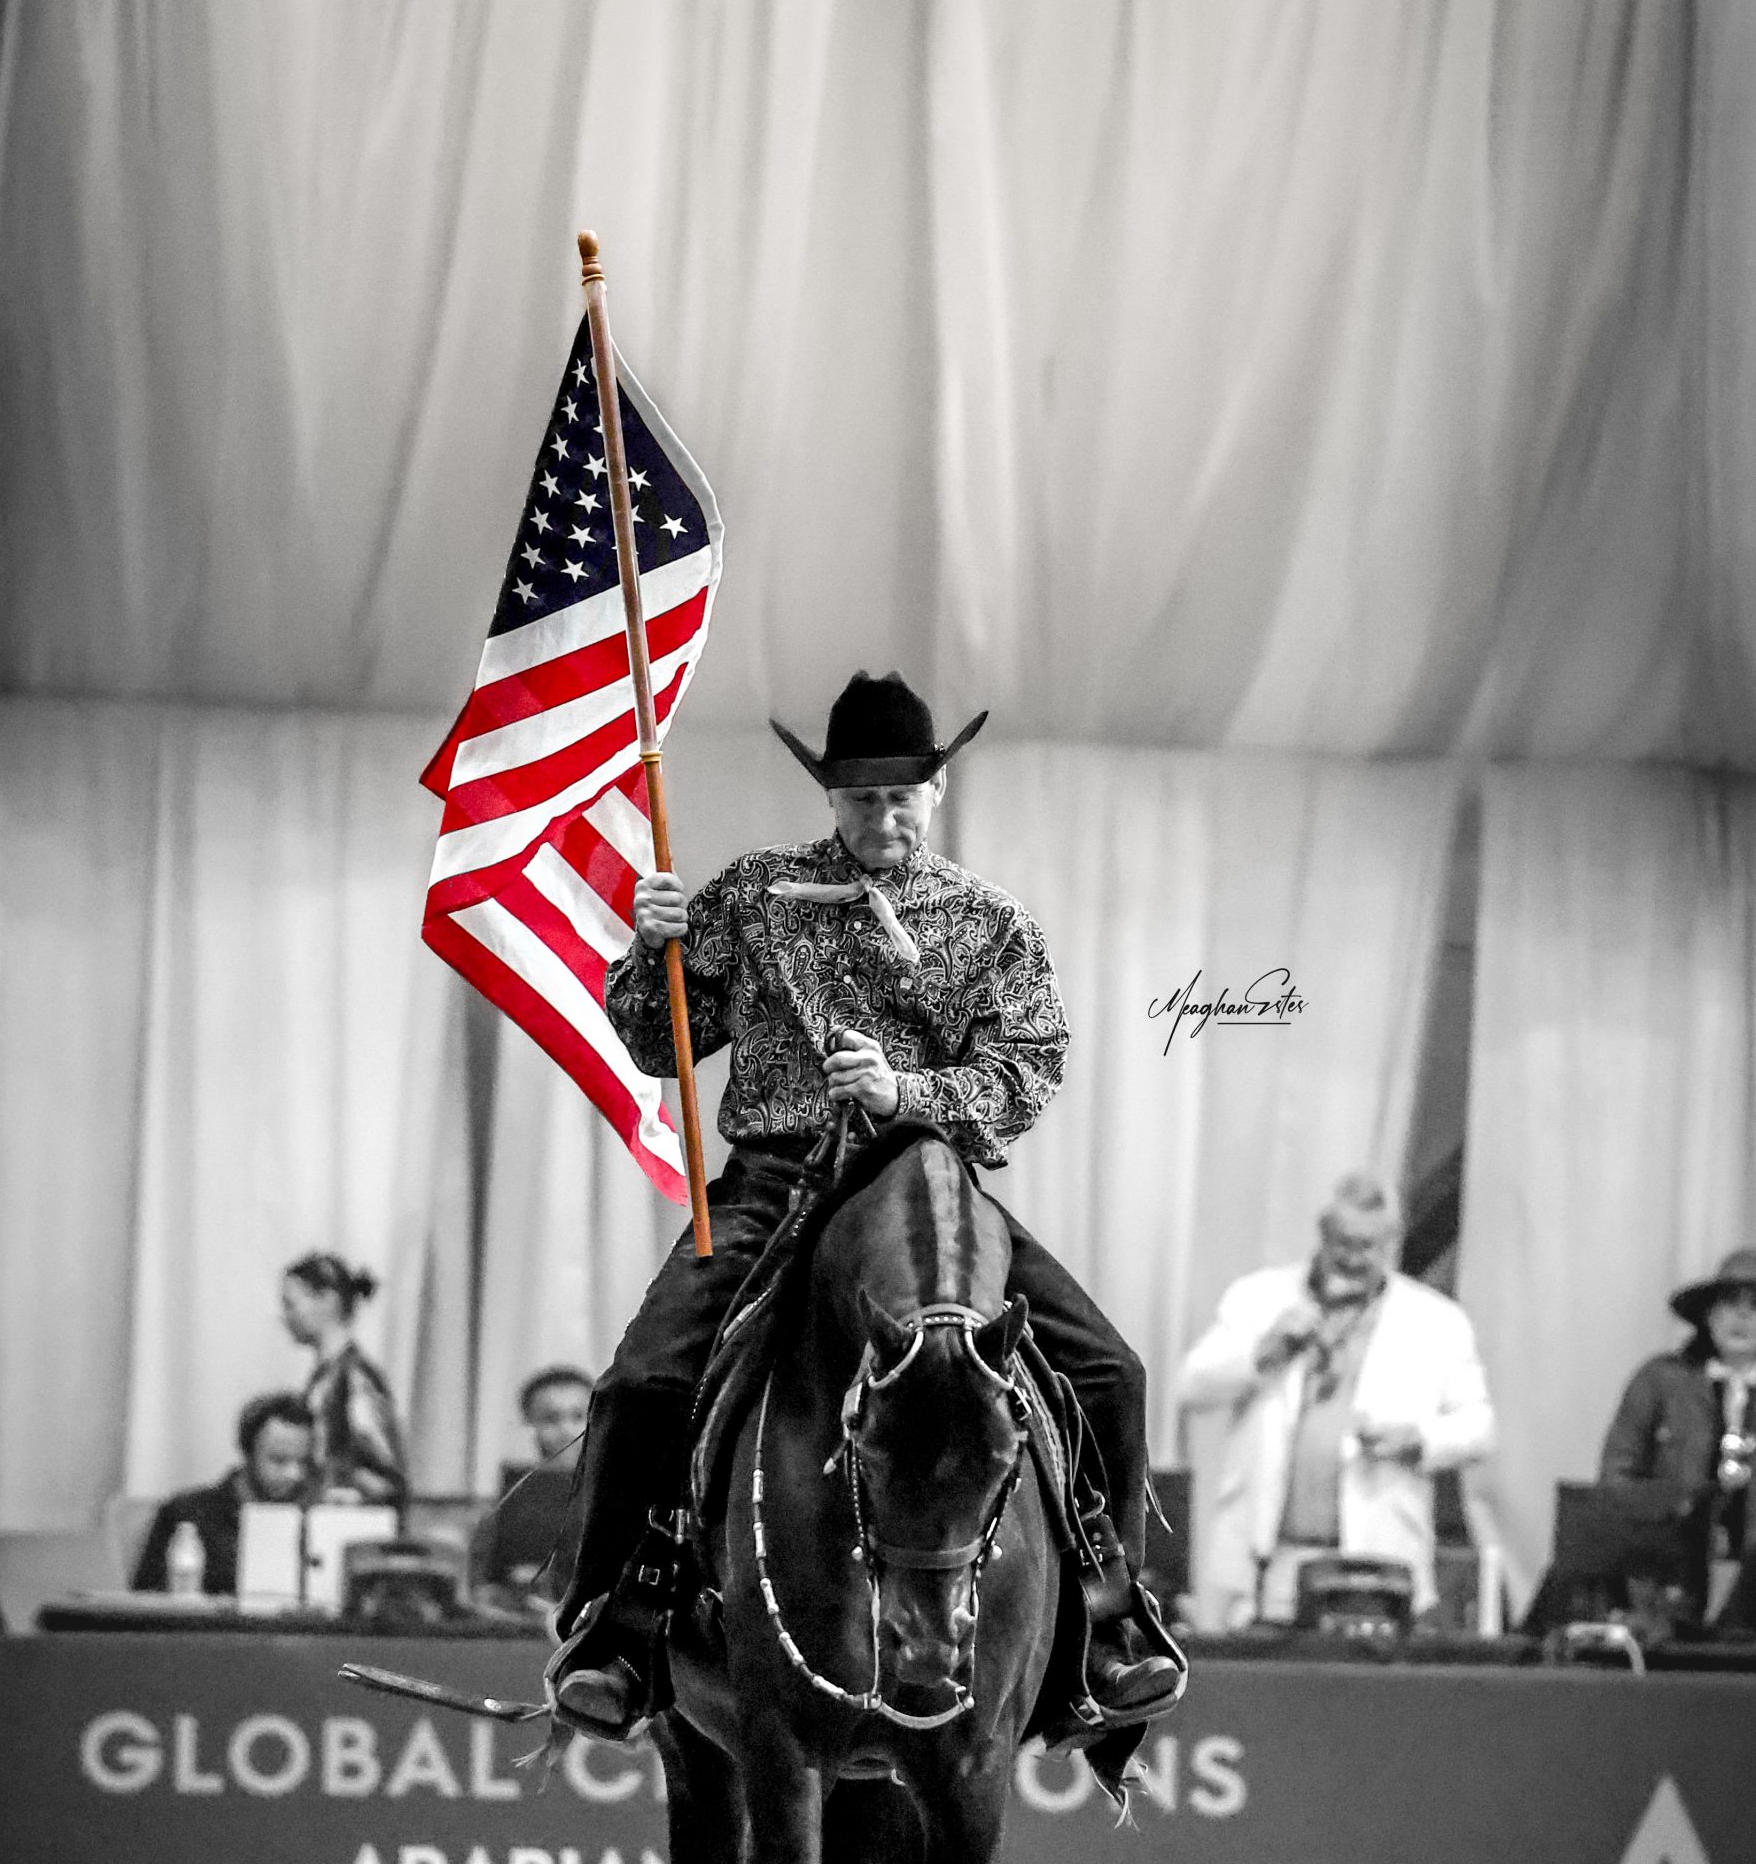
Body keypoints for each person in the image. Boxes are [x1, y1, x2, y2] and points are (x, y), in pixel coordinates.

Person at [550, 669, 1184, 1739]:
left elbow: (1027, 1071)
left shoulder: (989, 922)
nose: (883, 817)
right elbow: (663, 1043)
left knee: (1110, 1371)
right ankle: (618, 1623)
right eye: (860, 798)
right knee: (642, 1379)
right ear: (829, 795)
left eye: (900, 797)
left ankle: (1105, 1619)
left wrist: (908, 1095)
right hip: (774, 1183)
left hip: (925, 1195)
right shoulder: (752, 894)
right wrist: (648, 952)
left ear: (935, 792)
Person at [1174, 1173, 1495, 1630]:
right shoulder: (1260, 1297)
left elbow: (1480, 1427)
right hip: (1269, 1560)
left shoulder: (1436, 1320)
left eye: (1368, 1246)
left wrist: (1418, 1440)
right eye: (1342, 1242)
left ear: (1391, 1245)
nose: (1352, 1258)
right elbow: (1192, 1386)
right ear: (1322, 1234)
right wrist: (1265, 1352)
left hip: (1378, 1563)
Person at [1600, 1248, 1756, 1625]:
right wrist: (1665, 1522)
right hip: (1669, 1578)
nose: (1742, 1316)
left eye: (1755, 1305)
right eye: (1729, 1303)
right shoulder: (1662, 1381)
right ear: (1708, 1315)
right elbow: (1617, 1480)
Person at [132, 1391, 315, 1595]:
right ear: (248, 1453)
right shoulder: (189, 1514)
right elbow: (146, 1599)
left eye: (303, 1462)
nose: (294, 1474)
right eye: (279, 1460)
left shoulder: (314, 1519)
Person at [280, 1252, 407, 1505]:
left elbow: (386, 1476)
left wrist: (356, 1493)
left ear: (328, 1301)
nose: (286, 1317)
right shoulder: (325, 1377)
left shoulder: (355, 1378)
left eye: (291, 1305)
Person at [467, 1365, 593, 1610]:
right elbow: (484, 1582)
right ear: (528, 1423)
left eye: (579, 1417)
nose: (567, 1431)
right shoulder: (510, 1497)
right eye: (551, 1419)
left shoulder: (621, 1491)